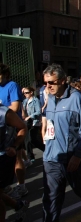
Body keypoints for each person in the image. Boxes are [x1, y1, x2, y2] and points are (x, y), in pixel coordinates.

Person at [42, 64, 81, 221]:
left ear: (61, 81)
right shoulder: (50, 98)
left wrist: (79, 155)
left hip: (72, 158)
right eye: (46, 83)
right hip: (52, 158)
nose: (47, 86)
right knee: (51, 198)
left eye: (51, 82)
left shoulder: (76, 98)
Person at [0, 63, 27, 200]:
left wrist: (2, 111)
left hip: (13, 126)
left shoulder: (12, 85)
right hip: (1, 128)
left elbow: (15, 107)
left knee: (16, 156)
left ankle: (21, 185)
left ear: (4, 74)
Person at [0, 104, 29, 222]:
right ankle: (18, 205)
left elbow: (22, 127)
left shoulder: (4, 112)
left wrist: (14, 146)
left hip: (3, 157)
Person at [21, 86, 45, 163]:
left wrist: (29, 117)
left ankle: (46, 149)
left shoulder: (35, 100)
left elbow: (38, 111)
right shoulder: (25, 101)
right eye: (24, 93)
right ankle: (30, 157)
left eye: (27, 93)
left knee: (32, 139)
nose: (25, 94)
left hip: (34, 122)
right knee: (27, 140)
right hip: (27, 123)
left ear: (31, 92)